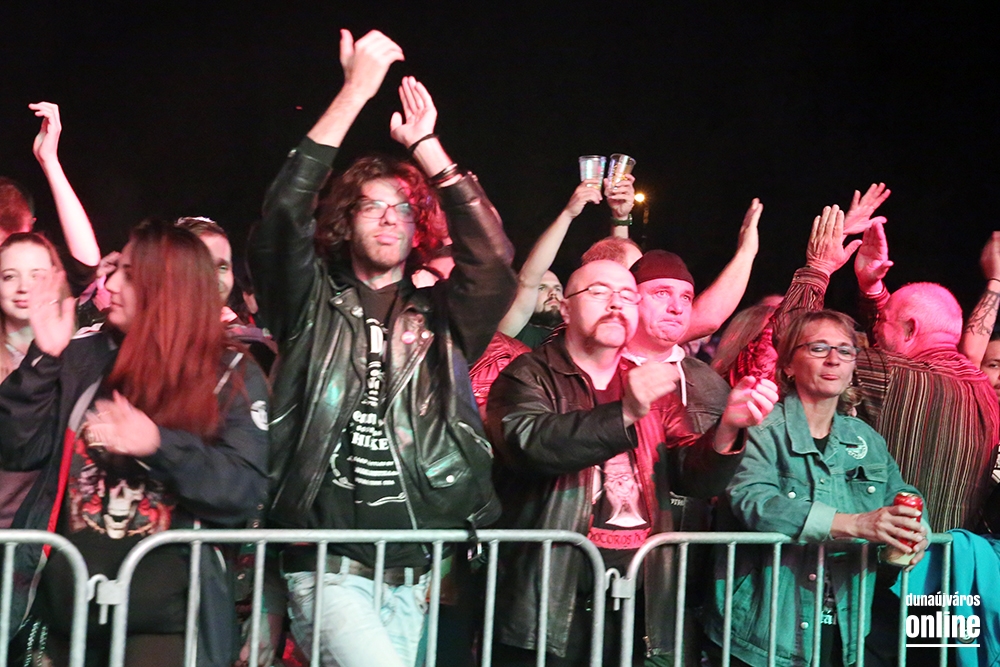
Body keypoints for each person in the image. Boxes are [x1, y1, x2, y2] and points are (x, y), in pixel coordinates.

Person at [248, 29, 516, 667]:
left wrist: (426, 146)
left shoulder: (438, 319)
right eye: (373, 206)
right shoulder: (310, 304)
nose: (391, 217)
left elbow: (494, 261)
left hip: (411, 572)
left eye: (403, 208)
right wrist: (355, 93)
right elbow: (283, 215)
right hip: (326, 565)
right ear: (345, 221)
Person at [0, 220, 269, 667]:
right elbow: (17, 448)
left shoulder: (229, 372)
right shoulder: (84, 355)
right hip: (64, 620)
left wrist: (157, 444)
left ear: (166, 288)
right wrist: (44, 358)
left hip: (165, 629)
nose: (110, 285)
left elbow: (242, 491)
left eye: (128, 273)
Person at [486, 259, 778, 666]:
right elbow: (530, 444)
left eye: (626, 295)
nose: (615, 304)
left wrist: (728, 428)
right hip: (549, 595)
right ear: (565, 309)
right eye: (598, 292)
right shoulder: (529, 374)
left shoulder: (644, 379)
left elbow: (689, 476)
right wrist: (624, 412)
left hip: (634, 596)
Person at [703, 309, 928, 667]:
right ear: (788, 365)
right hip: (764, 634)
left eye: (845, 350)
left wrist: (916, 530)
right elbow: (754, 501)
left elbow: (902, 493)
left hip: (846, 630)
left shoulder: (865, 439)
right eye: (819, 348)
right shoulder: (760, 428)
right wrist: (854, 523)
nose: (834, 359)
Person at [497, 177, 634, 348]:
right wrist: (568, 214)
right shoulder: (515, 332)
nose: (552, 294)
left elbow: (618, 277)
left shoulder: (582, 331)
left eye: (557, 288)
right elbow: (528, 279)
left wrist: (621, 218)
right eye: (542, 288)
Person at [0, 233, 70, 529]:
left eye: (37, 276)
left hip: (44, 528)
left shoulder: (78, 354)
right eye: (9, 276)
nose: (24, 287)